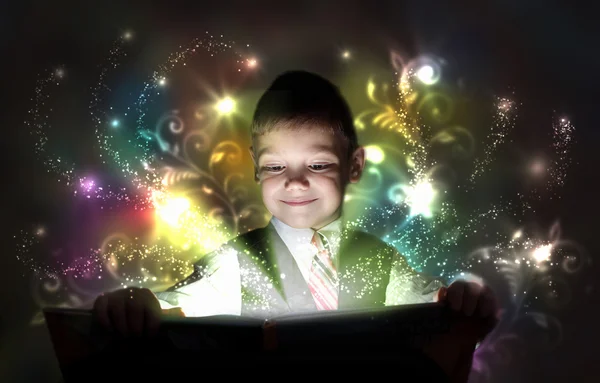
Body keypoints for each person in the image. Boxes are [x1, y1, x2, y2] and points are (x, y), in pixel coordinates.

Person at [92, 70, 498, 380]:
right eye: (275, 166)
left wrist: (467, 302)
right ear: (255, 168)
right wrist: (139, 304)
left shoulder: (381, 261)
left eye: (318, 164)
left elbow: (434, 308)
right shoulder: (235, 262)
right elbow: (182, 304)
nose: (295, 181)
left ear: (353, 166)